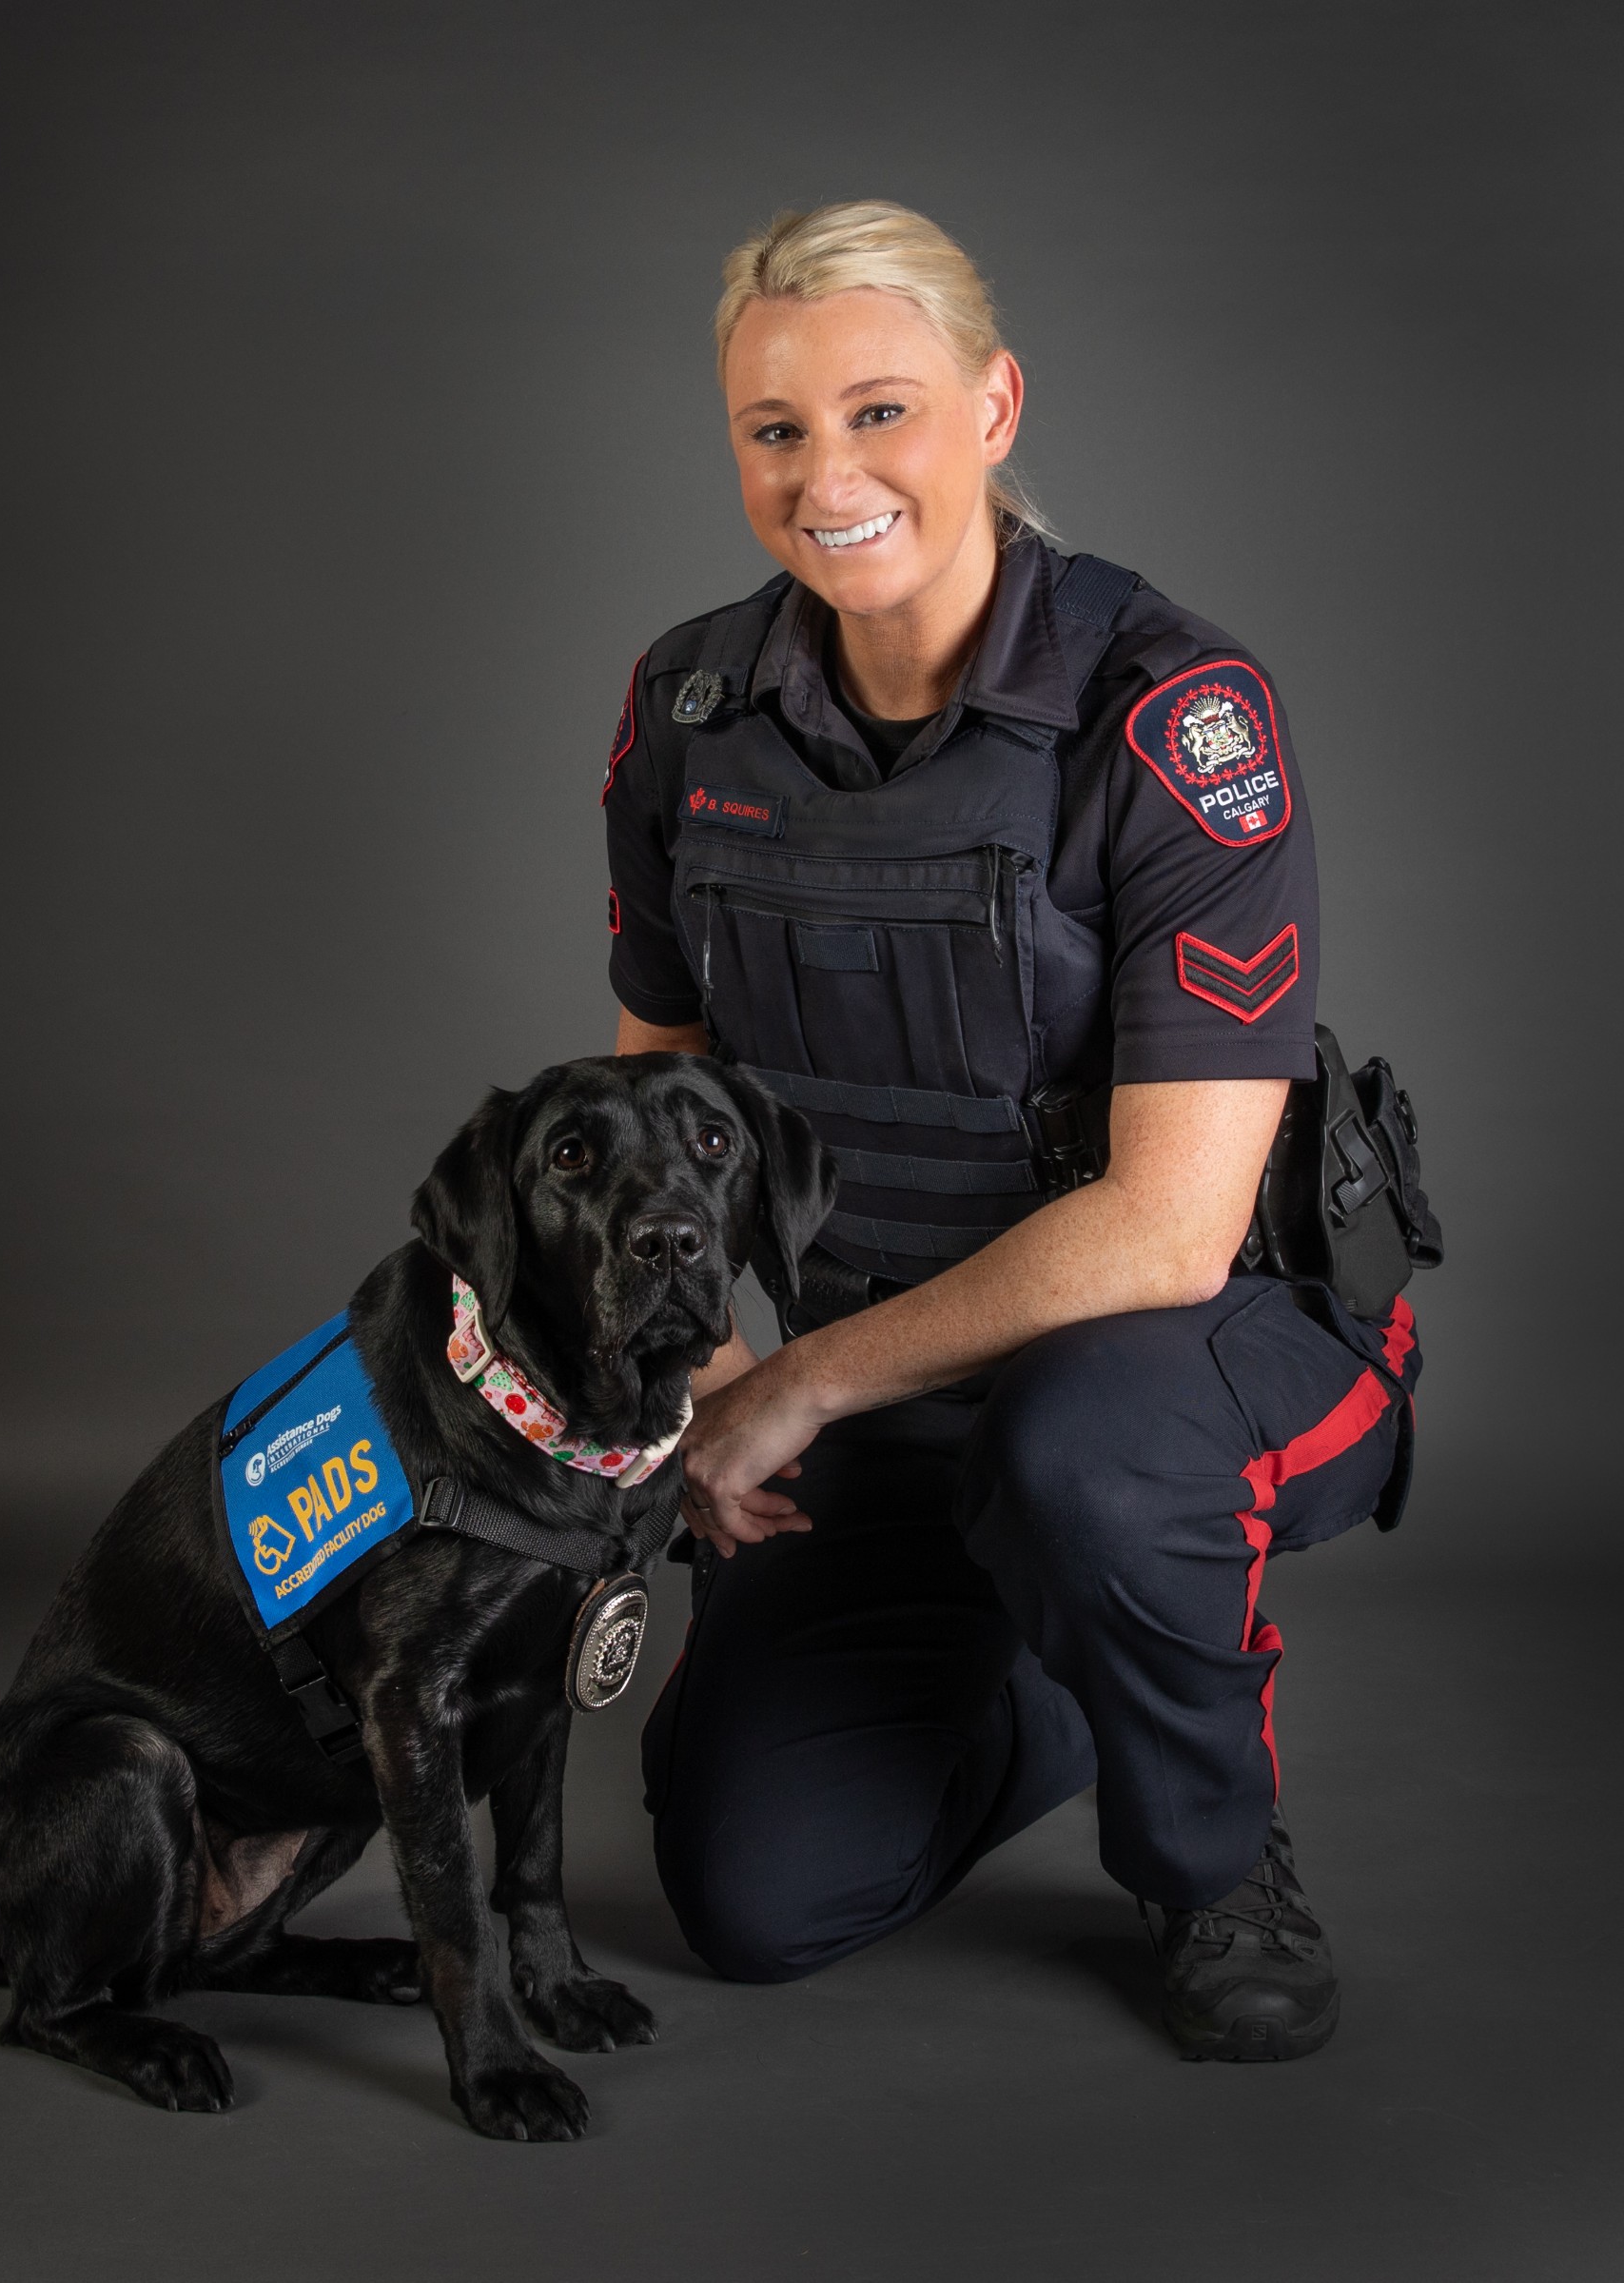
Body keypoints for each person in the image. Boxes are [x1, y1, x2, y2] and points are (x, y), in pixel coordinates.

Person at [603, 202, 1420, 2061]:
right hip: (885, 1388)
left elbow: (1164, 1236)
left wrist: (800, 1383)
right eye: (775, 430)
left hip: (1208, 1357)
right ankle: (1063, 1674)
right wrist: (701, 1358)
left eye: (880, 410)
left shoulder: (1167, 713)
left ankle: (1212, 1865)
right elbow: (655, 1096)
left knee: (1085, 1453)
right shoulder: (692, 711)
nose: (828, 477)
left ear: (992, 407)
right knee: (753, 1901)